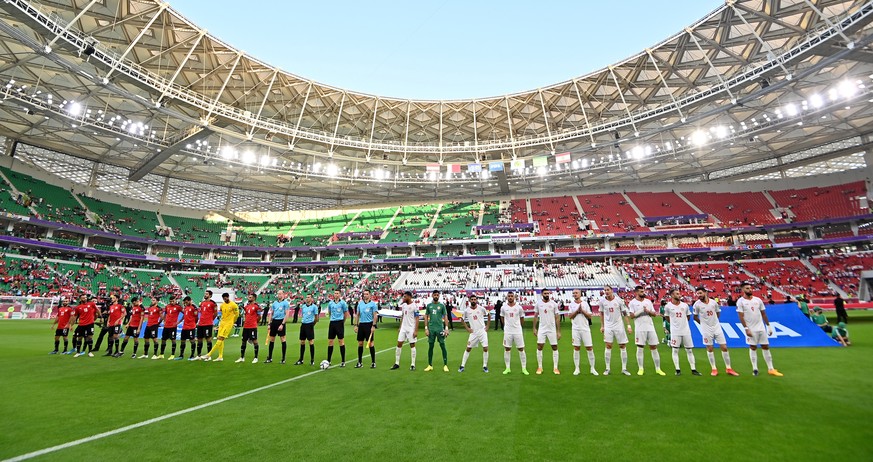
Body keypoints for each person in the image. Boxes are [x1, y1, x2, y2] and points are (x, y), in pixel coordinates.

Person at [737, 282, 783, 377]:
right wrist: (746, 328)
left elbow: (763, 314)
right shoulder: (740, 301)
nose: (750, 289)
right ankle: (755, 369)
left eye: (750, 287)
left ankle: (771, 369)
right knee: (753, 347)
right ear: (743, 290)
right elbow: (741, 316)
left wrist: (768, 326)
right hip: (751, 329)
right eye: (747, 288)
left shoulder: (758, 300)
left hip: (761, 328)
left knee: (765, 346)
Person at [693, 287, 738, 376]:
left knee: (724, 347)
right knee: (710, 348)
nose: (699, 295)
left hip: (717, 327)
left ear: (705, 292)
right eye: (697, 293)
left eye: (700, 293)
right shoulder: (696, 305)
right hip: (706, 329)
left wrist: (714, 321)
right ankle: (714, 368)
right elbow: (695, 317)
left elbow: (717, 313)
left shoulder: (713, 302)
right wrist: (702, 324)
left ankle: (728, 368)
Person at [627, 286, 665, 376]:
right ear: (636, 292)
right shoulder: (632, 303)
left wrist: (647, 311)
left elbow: (654, 314)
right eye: (641, 291)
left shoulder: (648, 301)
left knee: (654, 347)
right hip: (639, 327)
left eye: (643, 291)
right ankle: (641, 368)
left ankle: (658, 369)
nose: (643, 293)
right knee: (640, 347)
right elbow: (631, 316)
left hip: (650, 327)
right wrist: (641, 310)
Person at [664, 289, 700, 376]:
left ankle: (693, 369)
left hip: (686, 331)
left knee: (689, 350)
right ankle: (677, 369)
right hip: (675, 332)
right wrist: (674, 325)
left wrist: (682, 324)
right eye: (677, 294)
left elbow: (688, 316)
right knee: (675, 350)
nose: (679, 295)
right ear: (672, 295)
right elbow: (667, 318)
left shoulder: (685, 305)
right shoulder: (668, 306)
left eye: (679, 293)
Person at [600, 286, 632, 376]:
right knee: (608, 345)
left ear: (612, 291)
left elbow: (624, 313)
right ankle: (607, 368)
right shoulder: (602, 301)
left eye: (608, 290)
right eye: (605, 290)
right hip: (608, 327)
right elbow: (601, 314)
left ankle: (624, 368)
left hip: (619, 326)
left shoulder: (619, 300)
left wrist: (628, 325)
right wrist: (602, 326)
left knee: (622, 346)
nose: (606, 291)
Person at [568, 289, 597, 376]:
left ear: (580, 294)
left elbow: (589, 315)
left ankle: (592, 368)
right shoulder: (571, 304)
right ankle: (577, 368)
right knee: (576, 348)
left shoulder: (585, 304)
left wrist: (582, 311)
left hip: (585, 329)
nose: (575, 294)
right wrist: (577, 311)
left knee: (589, 348)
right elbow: (570, 316)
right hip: (575, 329)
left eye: (576, 293)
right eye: (573, 293)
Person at [203, 293, 239, 362]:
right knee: (220, 340)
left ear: (228, 297)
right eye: (224, 298)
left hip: (228, 324)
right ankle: (220, 356)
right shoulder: (222, 305)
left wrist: (232, 321)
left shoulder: (233, 305)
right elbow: (222, 313)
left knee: (220, 339)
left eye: (226, 298)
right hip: (222, 323)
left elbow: (237, 314)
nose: (225, 299)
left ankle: (209, 354)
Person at [459, 294, 489, 373]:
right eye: (472, 299)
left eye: (474, 299)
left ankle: (485, 366)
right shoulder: (467, 310)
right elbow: (462, 319)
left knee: (485, 348)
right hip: (474, 332)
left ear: (476, 300)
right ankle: (462, 365)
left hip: (482, 331)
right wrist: (467, 328)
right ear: (469, 300)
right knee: (468, 348)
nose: (473, 301)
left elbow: (488, 315)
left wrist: (488, 326)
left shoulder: (481, 308)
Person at [533, 289, 561, 375]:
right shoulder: (538, 303)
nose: (547, 294)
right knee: (540, 346)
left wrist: (558, 331)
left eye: (548, 293)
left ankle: (555, 368)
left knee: (554, 347)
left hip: (551, 329)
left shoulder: (554, 304)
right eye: (545, 293)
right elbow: (535, 316)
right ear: (542, 294)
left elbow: (557, 317)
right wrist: (534, 328)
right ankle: (540, 367)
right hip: (542, 328)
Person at [501, 292, 528, 375]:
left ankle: (524, 368)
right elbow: (502, 317)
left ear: (514, 297)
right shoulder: (503, 307)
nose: (510, 297)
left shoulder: (519, 307)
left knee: (521, 349)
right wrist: (505, 326)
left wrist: (519, 326)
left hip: (517, 331)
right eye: (508, 296)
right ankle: (507, 368)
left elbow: (522, 318)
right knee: (507, 349)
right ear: (506, 297)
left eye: (511, 296)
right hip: (508, 331)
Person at [391, 291, 419, 371]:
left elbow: (417, 319)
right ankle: (397, 363)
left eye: (405, 296)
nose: (404, 298)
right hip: (403, 328)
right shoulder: (403, 305)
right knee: (399, 344)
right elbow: (403, 316)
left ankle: (413, 364)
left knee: (412, 345)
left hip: (411, 328)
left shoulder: (414, 306)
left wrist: (416, 330)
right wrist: (400, 327)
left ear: (409, 297)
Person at [424, 290, 449, 372]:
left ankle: (445, 365)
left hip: (440, 329)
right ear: (432, 295)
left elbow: (445, 317)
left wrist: (446, 328)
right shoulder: (429, 306)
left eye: (437, 295)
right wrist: (426, 328)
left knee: (442, 346)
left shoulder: (442, 306)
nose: (436, 296)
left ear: (439, 296)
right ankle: (430, 365)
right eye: (435, 295)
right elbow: (426, 316)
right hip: (431, 329)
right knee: (430, 346)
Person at [354, 289, 379, 368]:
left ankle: (373, 362)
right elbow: (357, 315)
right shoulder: (360, 304)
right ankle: (360, 362)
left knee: (371, 344)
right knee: (360, 343)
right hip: (361, 325)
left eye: (367, 294)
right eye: (364, 294)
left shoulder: (373, 304)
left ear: (370, 295)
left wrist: (374, 325)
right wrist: (356, 325)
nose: (365, 295)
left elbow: (375, 315)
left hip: (369, 325)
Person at [264, 293, 290, 364]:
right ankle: (269, 357)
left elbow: (287, 314)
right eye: (278, 294)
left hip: (281, 321)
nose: (279, 295)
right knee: (272, 339)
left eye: (281, 294)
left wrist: (282, 324)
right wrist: (269, 323)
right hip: (274, 322)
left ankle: (283, 358)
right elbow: (271, 313)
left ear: (284, 295)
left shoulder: (286, 303)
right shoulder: (274, 303)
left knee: (283, 339)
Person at [325, 290, 349, 367]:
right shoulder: (330, 303)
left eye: (337, 293)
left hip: (339, 323)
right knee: (330, 341)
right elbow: (329, 312)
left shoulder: (343, 303)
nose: (336, 294)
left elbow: (346, 314)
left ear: (340, 294)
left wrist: (342, 322)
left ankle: (343, 361)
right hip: (332, 323)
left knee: (341, 341)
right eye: (335, 293)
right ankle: (328, 360)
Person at [237, 293, 262, 363]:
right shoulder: (247, 306)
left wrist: (255, 322)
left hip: (252, 326)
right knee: (243, 341)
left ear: (254, 298)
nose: (248, 298)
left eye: (250, 297)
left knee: (255, 341)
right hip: (246, 326)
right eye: (248, 297)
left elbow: (259, 316)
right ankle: (242, 357)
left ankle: (256, 358)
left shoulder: (257, 306)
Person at [295, 295, 319, 366]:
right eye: (307, 297)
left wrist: (312, 325)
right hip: (303, 325)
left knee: (311, 342)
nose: (307, 298)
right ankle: (301, 359)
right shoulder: (303, 306)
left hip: (310, 325)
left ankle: (312, 360)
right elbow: (303, 315)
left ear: (311, 298)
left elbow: (316, 318)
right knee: (302, 342)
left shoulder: (314, 307)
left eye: (308, 297)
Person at [158, 295, 182, 360]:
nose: (171, 302)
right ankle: (161, 354)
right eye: (170, 301)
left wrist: (178, 322)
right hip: (166, 326)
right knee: (163, 340)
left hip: (173, 326)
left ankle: (172, 354)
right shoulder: (167, 306)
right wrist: (163, 321)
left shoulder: (178, 307)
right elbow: (165, 314)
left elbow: (185, 314)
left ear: (175, 300)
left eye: (173, 301)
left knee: (173, 340)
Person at [195, 291, 217, 359]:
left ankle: (208, 355)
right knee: (199, 340)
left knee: (208, 339)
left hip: (208, 324)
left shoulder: (213, 303)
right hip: (201, 324)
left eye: (206, 294)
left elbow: (215, 313)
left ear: (210, 295)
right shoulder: (202, 303)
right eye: (205, 294)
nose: (205, 295)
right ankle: (198, 355)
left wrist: (211, 320)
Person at [179, 296, 199, 361]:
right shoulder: (186, 307)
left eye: (187, 302)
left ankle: (192, 355)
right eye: (185, 302)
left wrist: (194, 324)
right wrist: (179, 321)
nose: (186, 303)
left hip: (191, 327)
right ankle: (181, 355)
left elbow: (196, 317)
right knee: (182, 341)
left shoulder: (194, 307)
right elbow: (184, 315)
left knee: (192, 341)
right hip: (184, 327)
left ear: (190, 300)